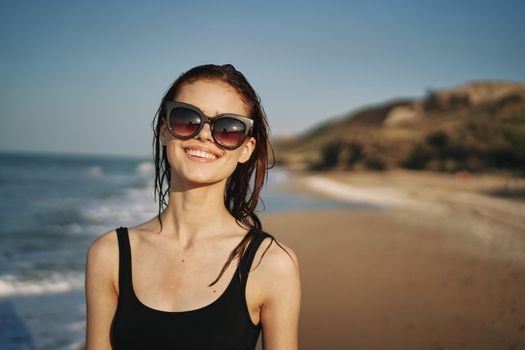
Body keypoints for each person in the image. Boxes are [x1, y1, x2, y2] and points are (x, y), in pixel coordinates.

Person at [85, 64, 301, 349]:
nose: (204, 135)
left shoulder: (271, 264)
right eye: (188, 119)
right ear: (164, 131)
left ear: (246, 149)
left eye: (227, 128)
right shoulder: (109, 254)